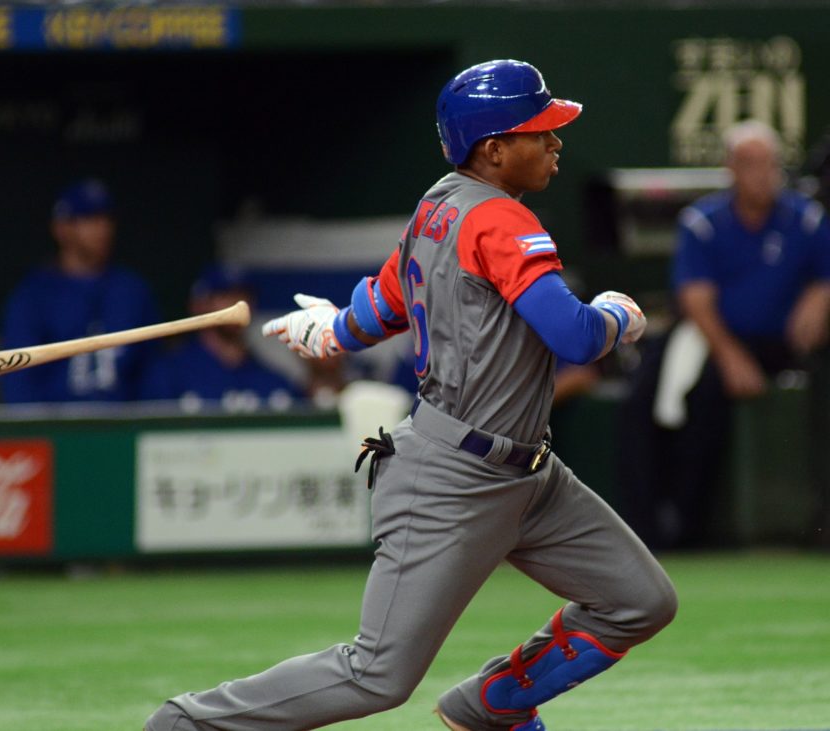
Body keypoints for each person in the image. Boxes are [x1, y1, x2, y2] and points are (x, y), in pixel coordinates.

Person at [145, 60, 677, 731]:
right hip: (453, 477)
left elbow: (382, 308)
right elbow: (576, 337)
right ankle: (189, 723)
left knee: (640, 599)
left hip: (531, 477)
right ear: (494, 148)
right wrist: (619, 314)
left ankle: (492, 706)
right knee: (377, 673)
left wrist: (332, 329)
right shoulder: (501, 220)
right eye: (539, 131)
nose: (554, 141)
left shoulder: (439, 204)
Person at [618, 119, 830, 550]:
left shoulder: (806, 218)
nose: (761, 173)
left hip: (785, 341)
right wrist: (731, 356)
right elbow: (697, 301)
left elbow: (824, 273)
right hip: (717, 338)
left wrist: (820, 294)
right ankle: (669, 529)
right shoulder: (703, 222)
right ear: (731, 168)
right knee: (658, 398)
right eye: (750, 163)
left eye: (769, 163)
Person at [0, 179, 161, 403]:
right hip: (56, 429)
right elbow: (17, 381)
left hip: (123, 428)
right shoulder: (33, 297)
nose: (102, 229)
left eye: (106, 219)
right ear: (62, 228)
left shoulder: (132, 291)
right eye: (90, 220)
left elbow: (153, 375)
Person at [139, 265, 300, 409]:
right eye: (224, 296)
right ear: (199, 304)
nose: (237, 304)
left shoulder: (273, 382)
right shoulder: (169, 375)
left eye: (243, 297)